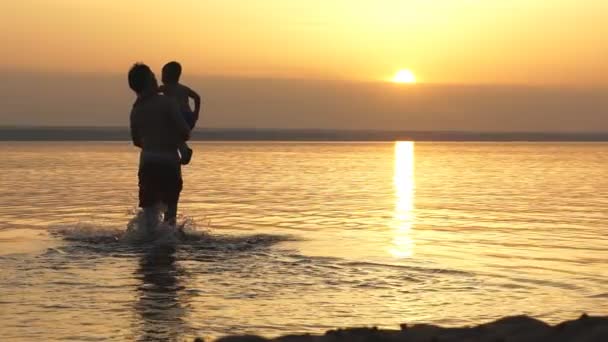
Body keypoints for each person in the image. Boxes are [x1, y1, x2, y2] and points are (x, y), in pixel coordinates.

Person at [128, 63, 191, 228]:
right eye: (153, 76)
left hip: (147, 162)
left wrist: (152, 143)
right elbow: (185, 132)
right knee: (170, 218)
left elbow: (136, 141)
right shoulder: (167, 103)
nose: (156, 78)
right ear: (150, 81)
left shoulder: (135, 111)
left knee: (149, 216)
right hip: (169, 162)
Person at [159, 61, 201, 165]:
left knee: (172, 134)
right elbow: (197, 97)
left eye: (163, 74)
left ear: (168, 76)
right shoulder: (184, 88)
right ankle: (184, 151)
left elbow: (152, 92)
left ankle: (184, 151)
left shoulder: (166, 88)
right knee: (176, 137)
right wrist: (196, 113)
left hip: (179, 116)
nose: (161, 77)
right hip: (189, 117)